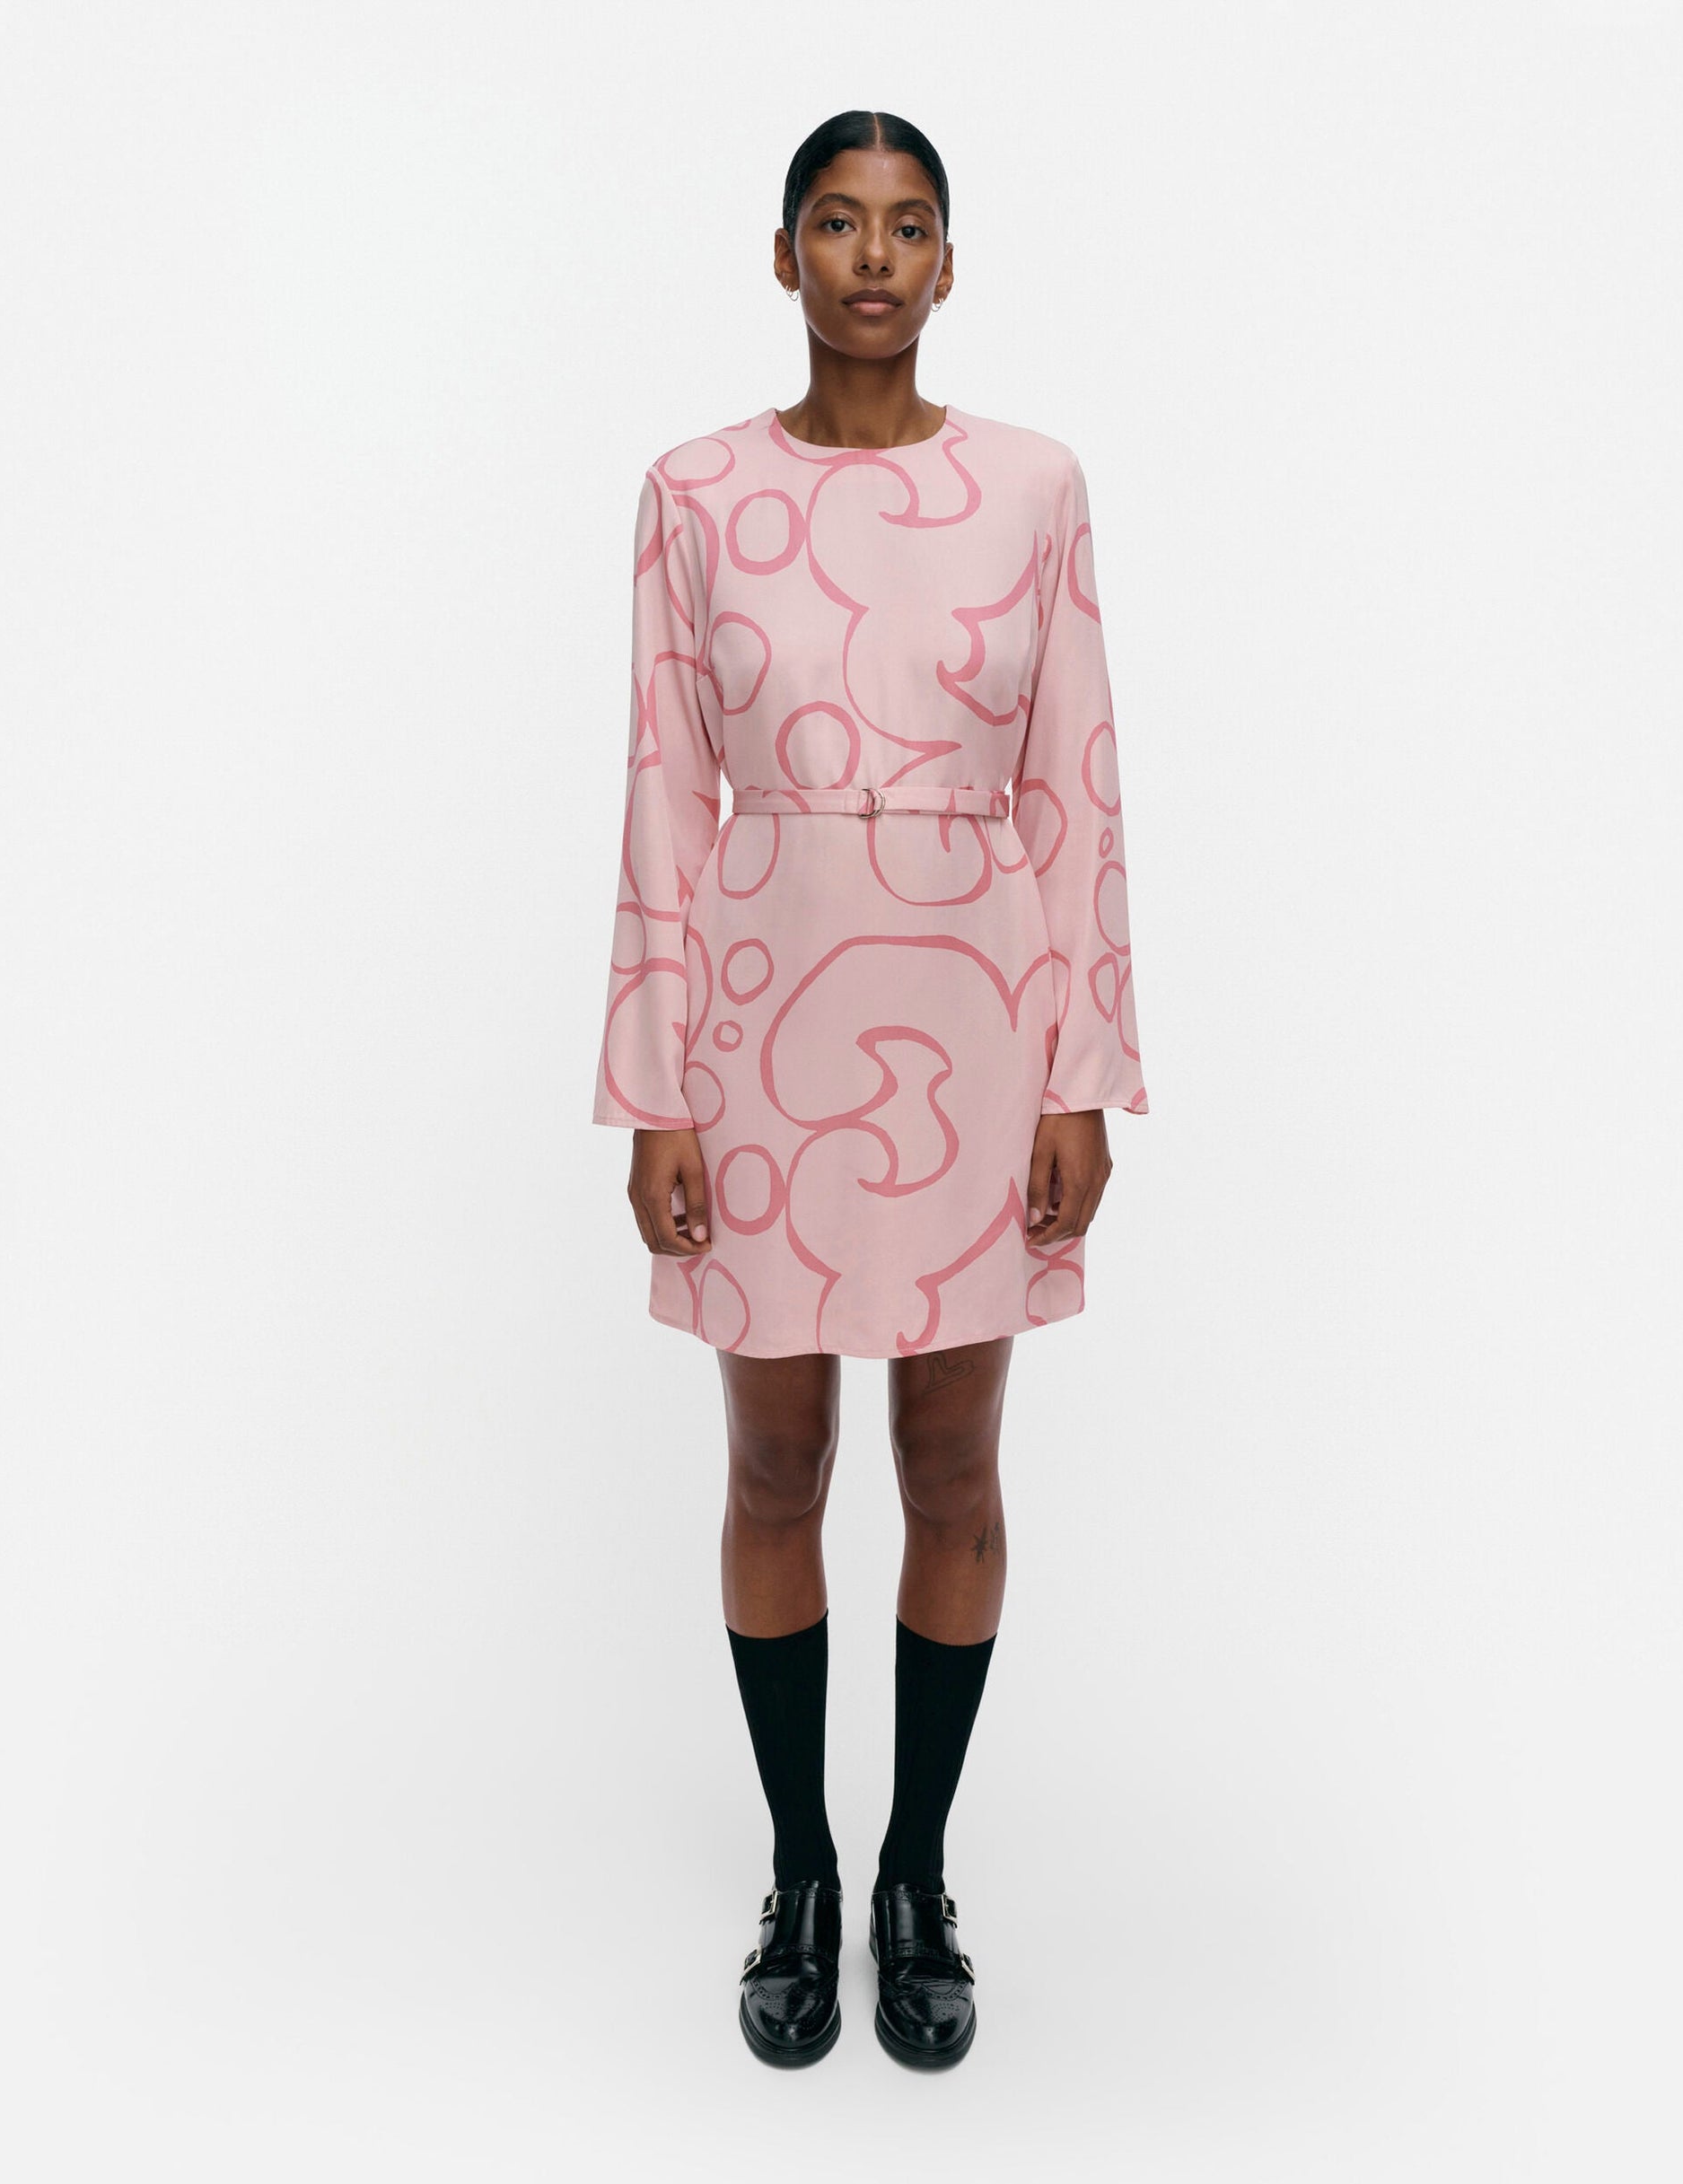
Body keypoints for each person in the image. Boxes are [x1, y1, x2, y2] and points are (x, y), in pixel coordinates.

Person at [592, 110, 1148, 2069]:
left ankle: (917, 1870)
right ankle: (801, 1871)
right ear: (783, 256)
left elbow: (1074, 783)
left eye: (908, 225)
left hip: (980, 1023)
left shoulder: (1032, 487)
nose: (874, 257)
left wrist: (1082, 1072)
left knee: (951, 1463)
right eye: (837, 222)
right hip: (753, 1021)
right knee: (772, 1466)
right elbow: (663, 789)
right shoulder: (693, 492)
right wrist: (655, 1088)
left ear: (948, 262)